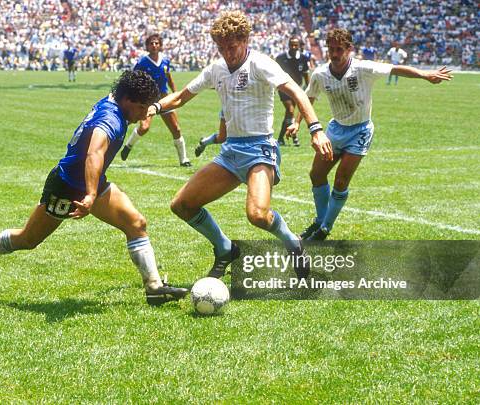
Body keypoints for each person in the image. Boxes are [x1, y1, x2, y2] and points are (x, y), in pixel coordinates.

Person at [0, 70, 188, 306]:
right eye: (142, 108)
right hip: (67, 185)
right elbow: (94, 152)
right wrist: (91, 194)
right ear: (128, 100)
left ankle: (154, 288)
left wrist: (155, 106)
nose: (145, 116)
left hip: (92, 181)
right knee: (28, 239)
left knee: (136, 223)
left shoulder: (117, 99)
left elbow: (152, 105)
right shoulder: (110, 119)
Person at [149, 11, 333, 279]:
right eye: (221, 48)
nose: (227, 53)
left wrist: (316, 129)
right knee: (181, 205)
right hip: (231, 152)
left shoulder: (260, 64)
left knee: (257, 214)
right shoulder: (216, 69)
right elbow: (180, 97)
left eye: (232, 47)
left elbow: (295, 91)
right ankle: (225, 249)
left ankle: (294, 244)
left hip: (260, 149)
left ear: (245, 39)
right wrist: (154, 107)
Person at [286, 28, 452, 240]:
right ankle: (320, 221)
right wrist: (297, 122)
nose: (334, 54)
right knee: (316, 175)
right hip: (336, 129)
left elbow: (395, 69)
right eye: (331, 49)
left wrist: (425, 75)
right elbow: (309, 98)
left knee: (340, 181)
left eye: (339, 49)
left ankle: (324, 228)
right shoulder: (320, 74)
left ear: (349, 49)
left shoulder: (363, 68)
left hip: (360, 131)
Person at [120, 34, 191, 167]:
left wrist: (175, 92)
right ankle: (128, 146)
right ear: (147, 46)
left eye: (157, 43)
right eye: (151, 43)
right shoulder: (142, 62)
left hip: (164, 99)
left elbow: (168, 76)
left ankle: (184, 159)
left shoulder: (165, 60)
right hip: (148, 99)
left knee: (176, 128)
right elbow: (134, 78)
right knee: (144, 127)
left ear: (160, 45)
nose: (154, 45)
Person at [276, 36, 311, 147]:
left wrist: (308, 89)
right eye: (291, 44)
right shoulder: (281, 58)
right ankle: (294, 137)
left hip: (297, 88)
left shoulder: (304, 58)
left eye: (296, 45)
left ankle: (281, 138)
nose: (294, 47)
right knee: (290, 111)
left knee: (288, 115)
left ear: (300, 46)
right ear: (288, 45)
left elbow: (306, 74)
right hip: (283, 88)